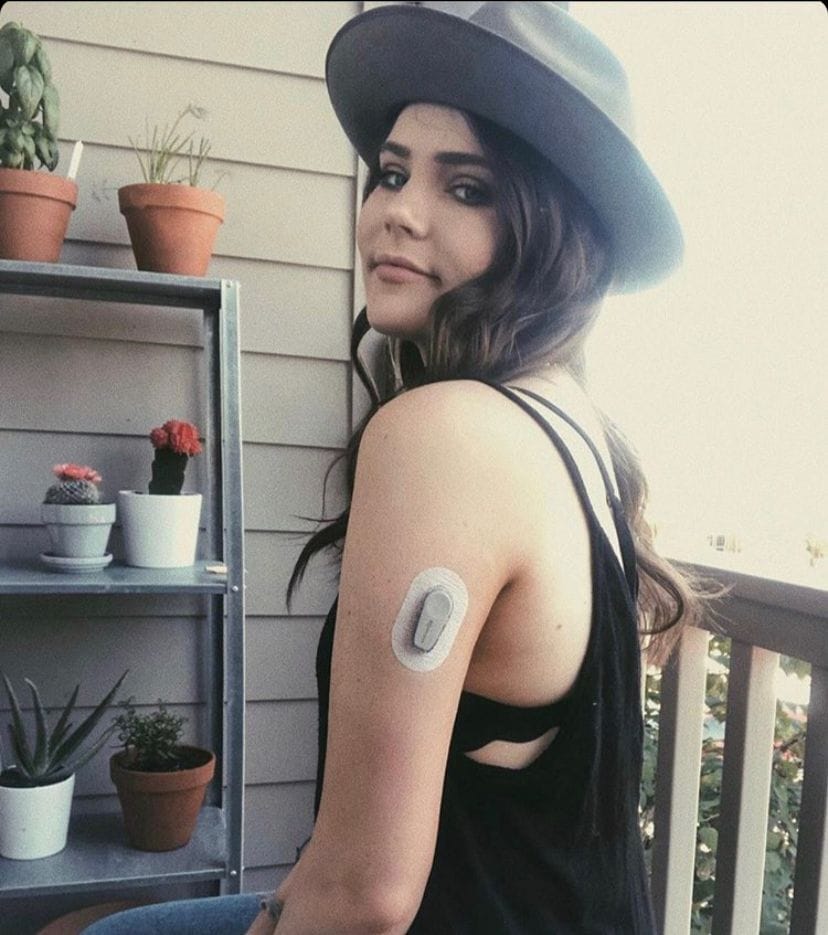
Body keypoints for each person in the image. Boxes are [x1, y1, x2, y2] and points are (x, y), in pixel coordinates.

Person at [85, 3, 710, 933]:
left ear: (553, 230)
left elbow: (368, 894)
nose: (396, 213)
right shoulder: (577, 426)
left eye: (467, 188)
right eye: (390, 173)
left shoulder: (447, 433)